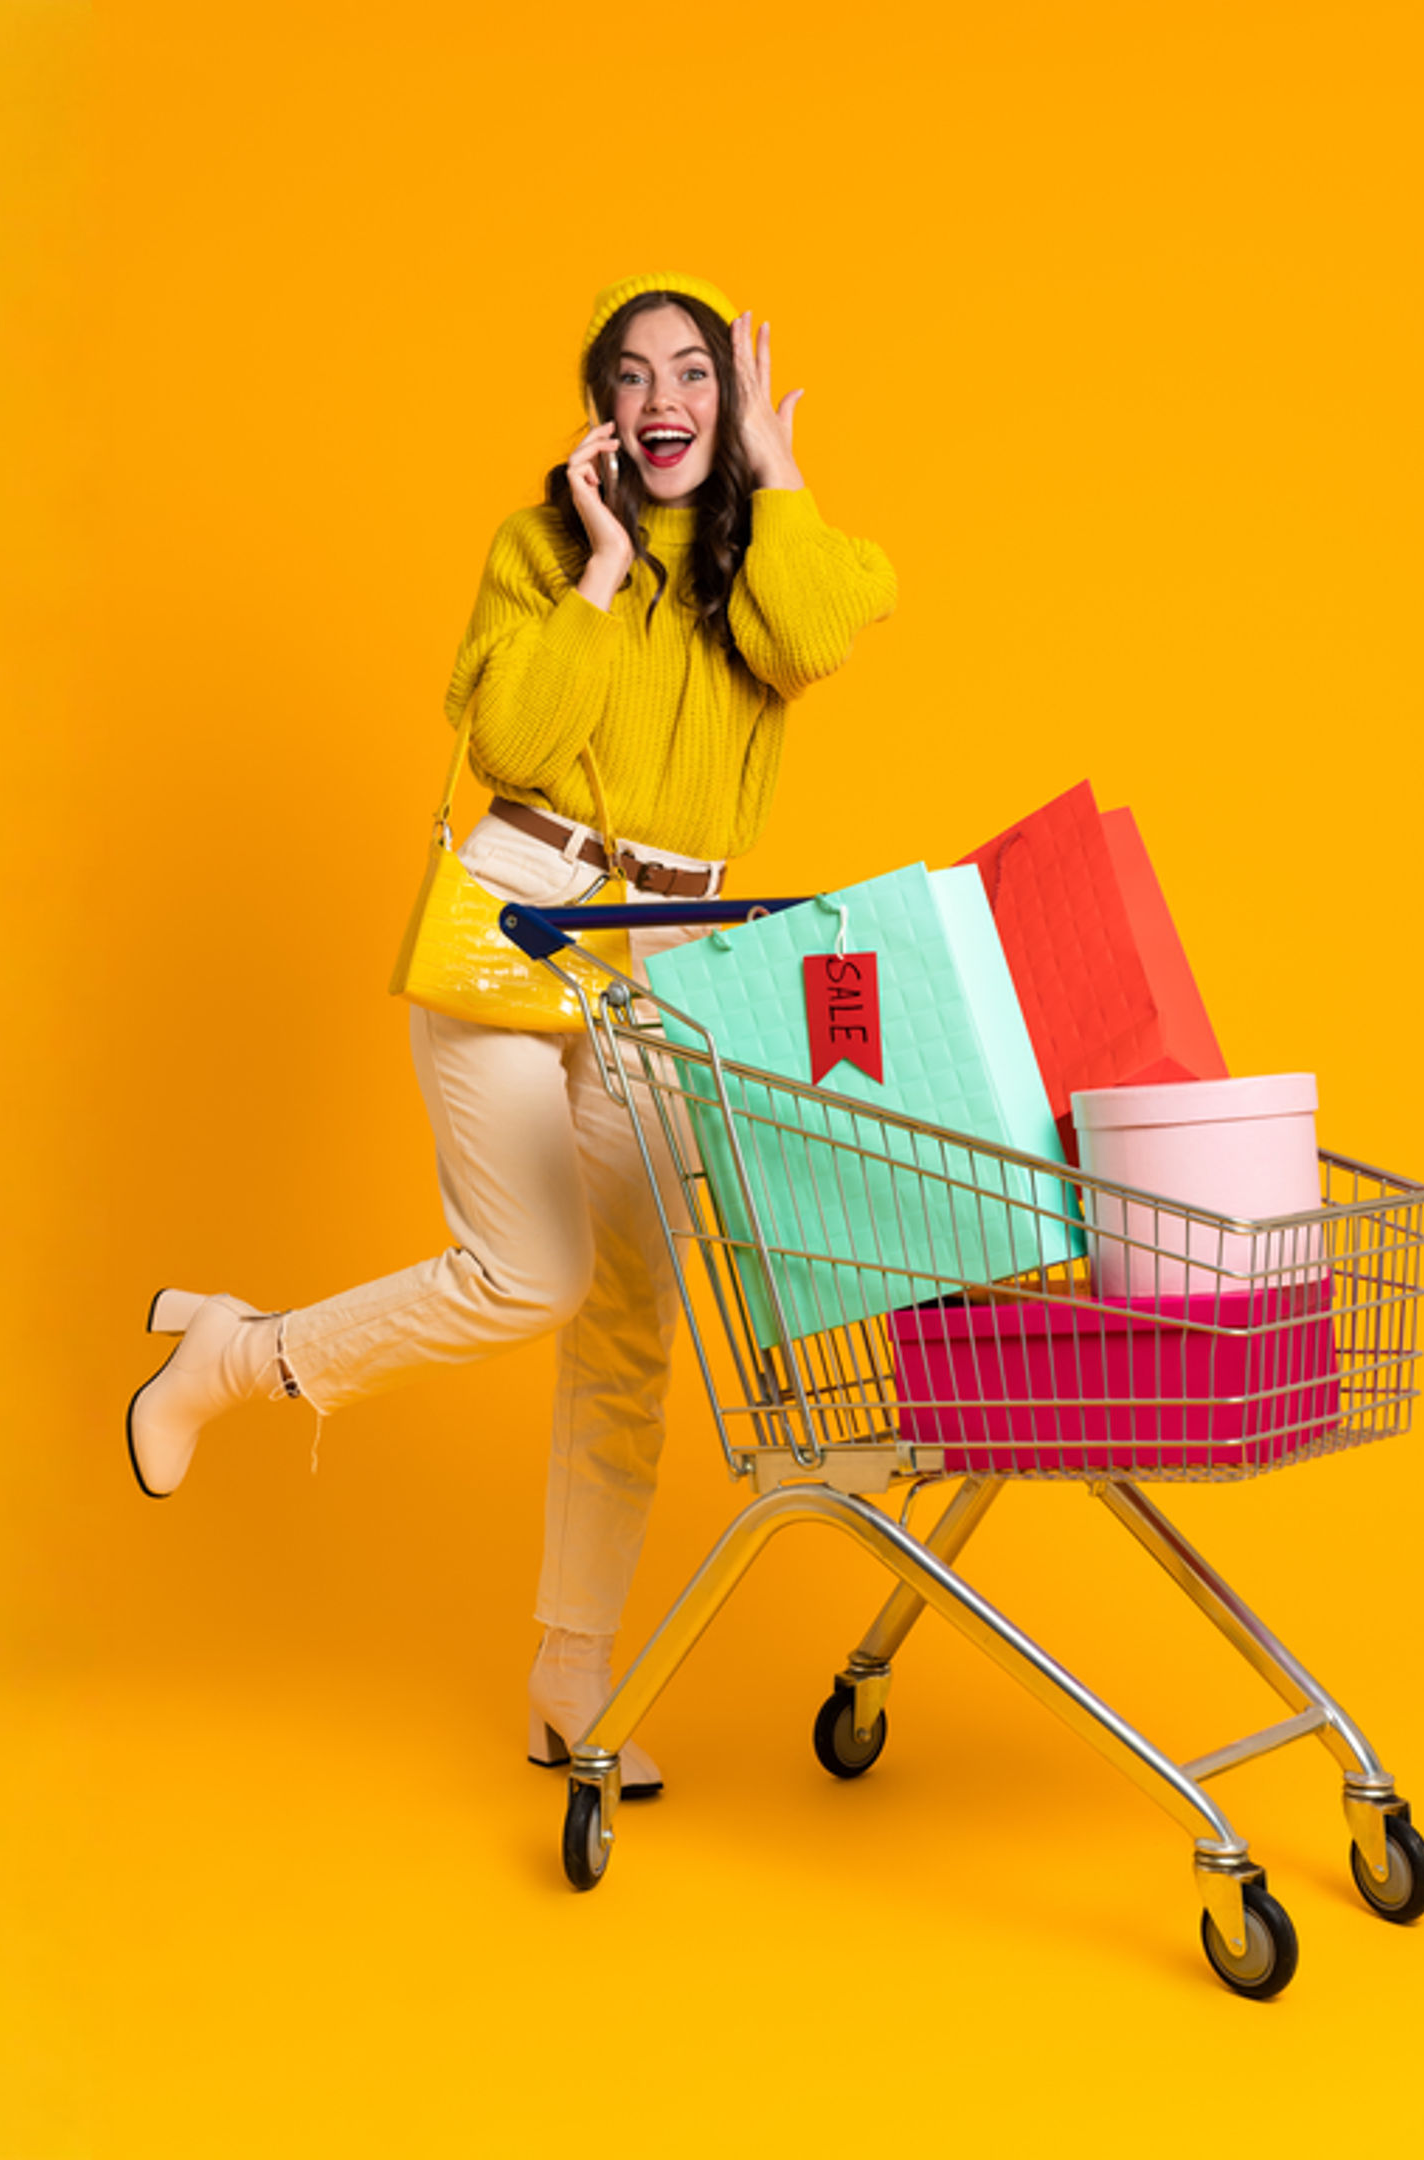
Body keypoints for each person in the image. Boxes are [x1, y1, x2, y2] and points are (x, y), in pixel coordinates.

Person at [125, 274, 898, 1798]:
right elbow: (513, 745)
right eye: (634, 374)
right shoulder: (540, 548)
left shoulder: (766, 564)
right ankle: (241, 1360)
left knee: (627, 1333)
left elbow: (815, 640)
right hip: (524, 906)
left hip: (672, 950)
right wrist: (604, 569)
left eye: (693, 373)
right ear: (602, 408)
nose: (664, 397)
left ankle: (571, 1684)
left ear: (722, 406)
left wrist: (783, 476)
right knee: (529, 1274)